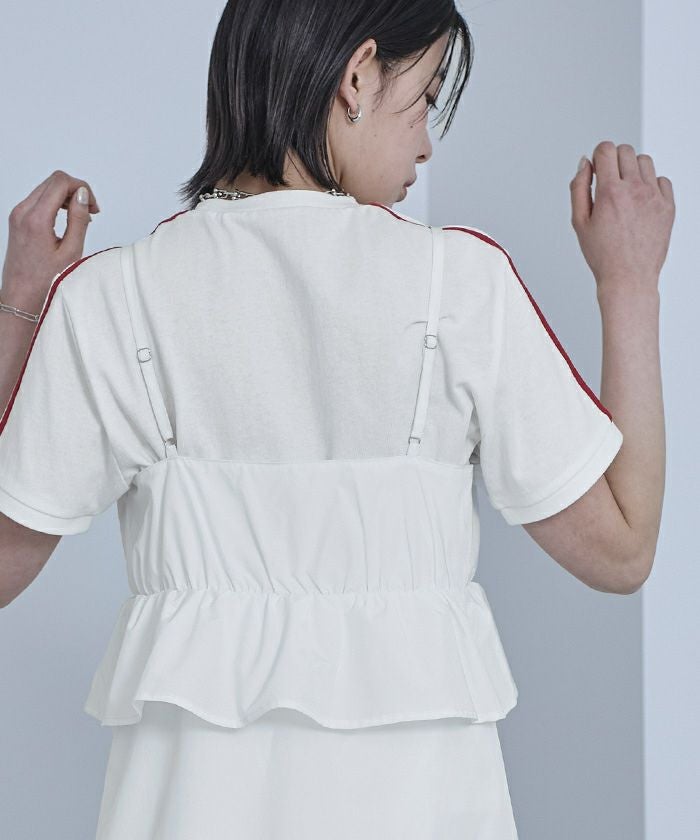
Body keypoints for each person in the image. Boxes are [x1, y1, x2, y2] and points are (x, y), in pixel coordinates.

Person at [0, 0, 673, 838]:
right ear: (356, 77)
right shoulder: (461, 284)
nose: (427, 143)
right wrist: (629, 281)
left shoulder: (107, 298)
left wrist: (20, 305)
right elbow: (622, 548)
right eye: (426, 97)